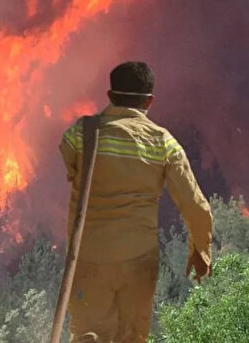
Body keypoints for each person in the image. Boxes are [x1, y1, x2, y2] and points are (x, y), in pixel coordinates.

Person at [59, 61, 213, 342]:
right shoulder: (162, 141)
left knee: (87, 336)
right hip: (138, 258)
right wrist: (200, 249)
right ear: (149, 101)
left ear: (110, 95)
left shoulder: (82, 133)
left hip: (89, 255)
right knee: (132, 338)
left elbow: (67, 158)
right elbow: (194, 203)